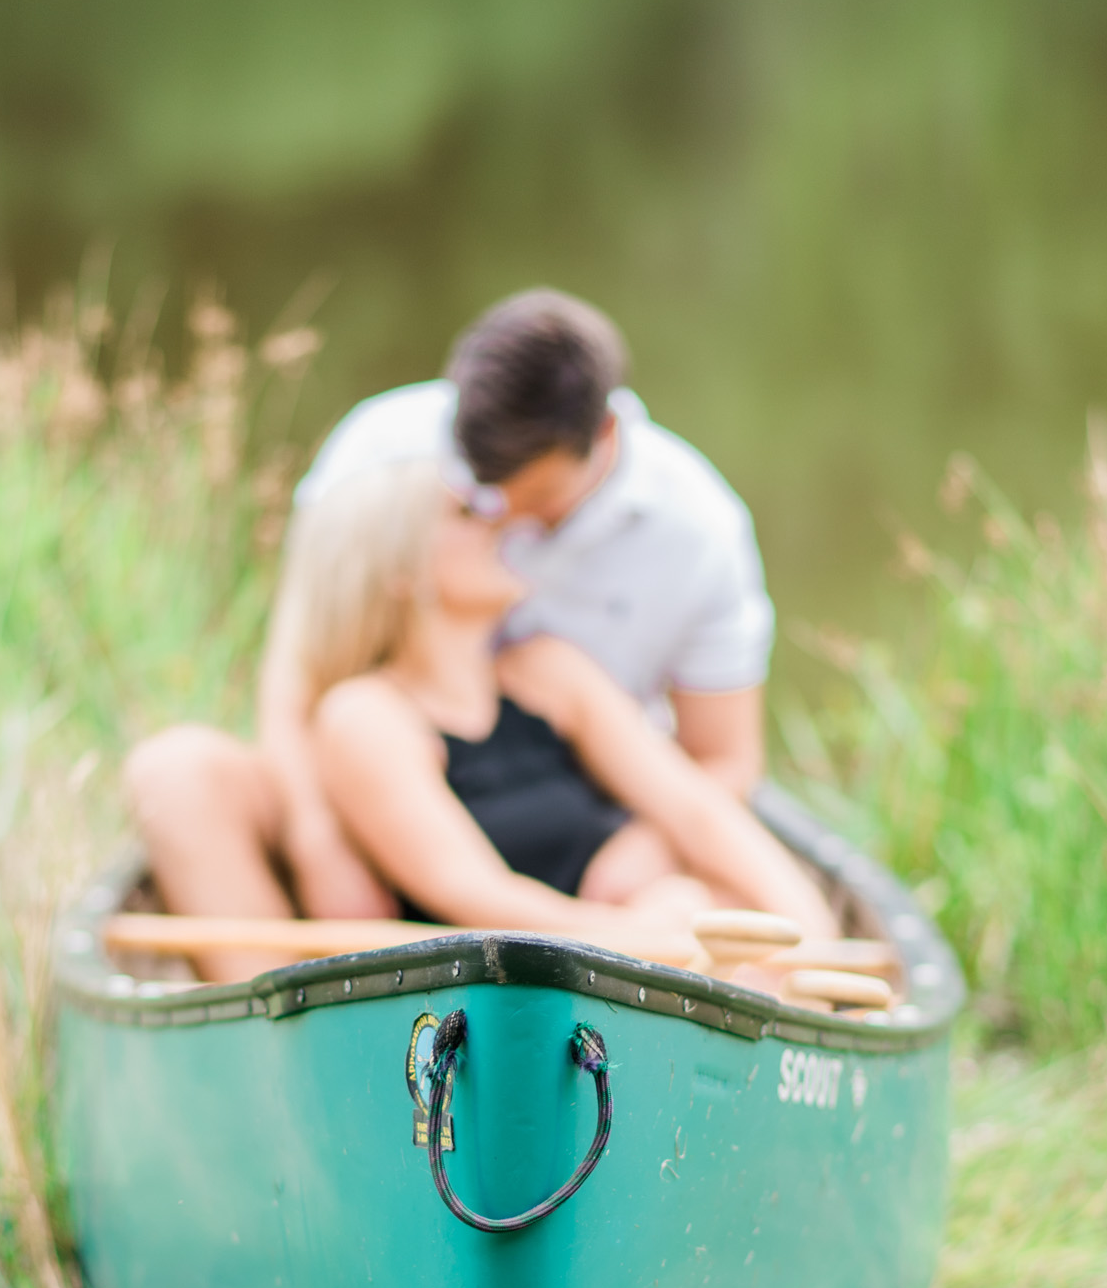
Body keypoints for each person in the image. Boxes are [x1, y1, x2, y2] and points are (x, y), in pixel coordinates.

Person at [126, 288, 779, 966]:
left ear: (605, 438)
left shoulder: (697, 530)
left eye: (542, 504)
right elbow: (299, 669)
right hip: (376, 769)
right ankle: (267, 1027)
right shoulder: (383, 455)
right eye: (478, 500)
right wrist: (315, 835)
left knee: (685, 893)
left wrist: (649, 844)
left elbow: (724, 759)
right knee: (176, 771)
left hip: (569, 793)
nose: (504, 522)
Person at [292, 456, 834, 976]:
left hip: (647, 942)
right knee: (686, 904)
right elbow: (473, 891)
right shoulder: (364, 716)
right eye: (465, 513)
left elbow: (694, 808)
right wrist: (632, 936)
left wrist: (807, 925)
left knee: (705, 897)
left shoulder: (548, 670)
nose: (500, 521)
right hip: (530, 993)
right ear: (399, 571)